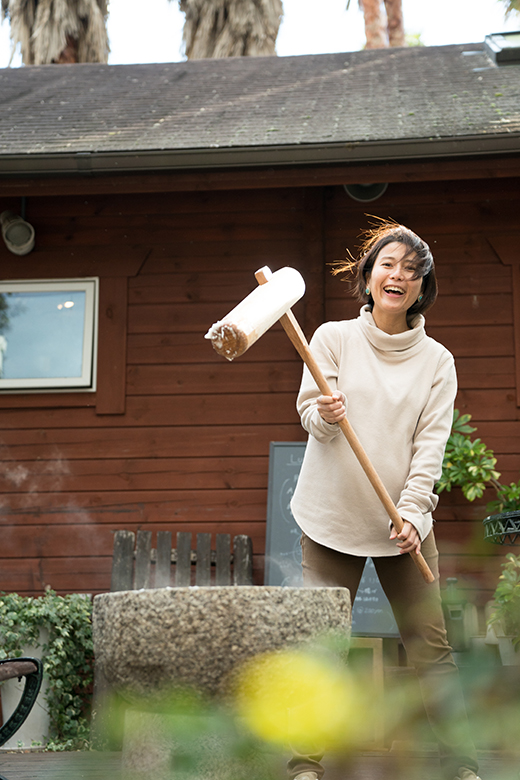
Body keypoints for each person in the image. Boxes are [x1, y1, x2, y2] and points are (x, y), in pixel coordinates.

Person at [288, 221, 481, 780]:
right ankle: (305, 765)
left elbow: (430, 445)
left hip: (404, 525)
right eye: (388, 265)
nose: (399, 276)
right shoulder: (331, 338)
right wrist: (325, 417)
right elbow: (309, 415)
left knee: (431, 648)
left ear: (422, 288)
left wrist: (417, 513)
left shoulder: (437, 361)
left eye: (412, 270)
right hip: (331, 518)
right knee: (320, 644)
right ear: (368, 277)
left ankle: (463, 765)